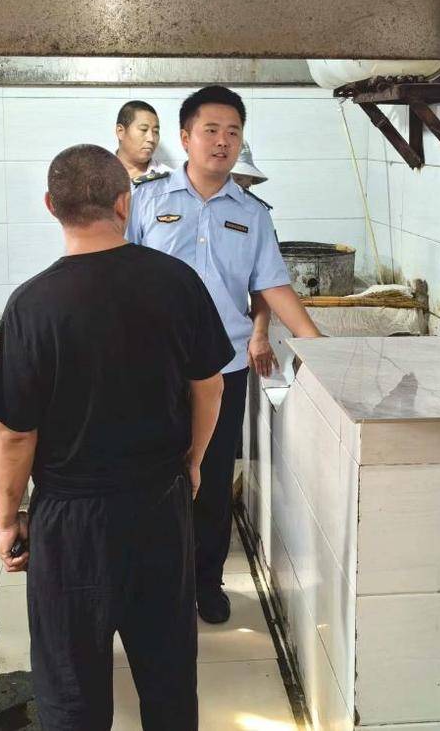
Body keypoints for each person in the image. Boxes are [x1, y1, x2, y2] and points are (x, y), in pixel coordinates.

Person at [0, 144, 230, 731]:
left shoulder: (31, 306)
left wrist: (7, 520)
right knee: (168, 679)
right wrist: (193, 461)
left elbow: (16, 435)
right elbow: (209, 386)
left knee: (72, 692)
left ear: (51, 207)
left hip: (69, 522)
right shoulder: (176, 282)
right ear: (125, 204)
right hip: (158, 506)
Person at [128, 85, 322, 623]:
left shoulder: (253, 214)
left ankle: (206, 583)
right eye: (210, 130)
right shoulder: (146, 200)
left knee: (213, 481)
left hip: (224, 369)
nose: (222, 141)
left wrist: (319, 347)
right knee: (152, 479)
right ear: (186, 137)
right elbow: (119, 271)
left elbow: (273, 284)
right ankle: (155, 588)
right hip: (156, 369)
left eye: (232, 132)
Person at [230, 143, 278, 378]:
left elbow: (265, 284)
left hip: (230, 349)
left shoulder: (256, 215)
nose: (240, 192)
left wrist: (260, 334)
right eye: (236, 180)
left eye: (245, 186)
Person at [115, 99, 169, 184]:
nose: (151, 138)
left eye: (155, 131)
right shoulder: (97, 172)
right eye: (143, 129)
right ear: (120, 131)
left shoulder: (169, 179)